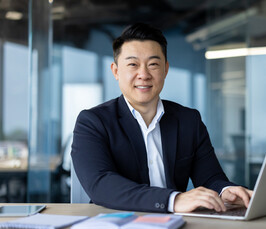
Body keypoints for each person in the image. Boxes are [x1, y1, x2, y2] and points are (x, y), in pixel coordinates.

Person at [71, 22, 253, 213]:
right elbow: (101, 184)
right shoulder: (92, 122)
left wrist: (225, 191)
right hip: (115, 225)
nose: (143, 74)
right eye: (133, 64)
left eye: (153, 65)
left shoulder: (188, 120)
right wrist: (173, 200)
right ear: (116, 71)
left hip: (175, 226)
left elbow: (210, 177)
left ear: (165, 69)